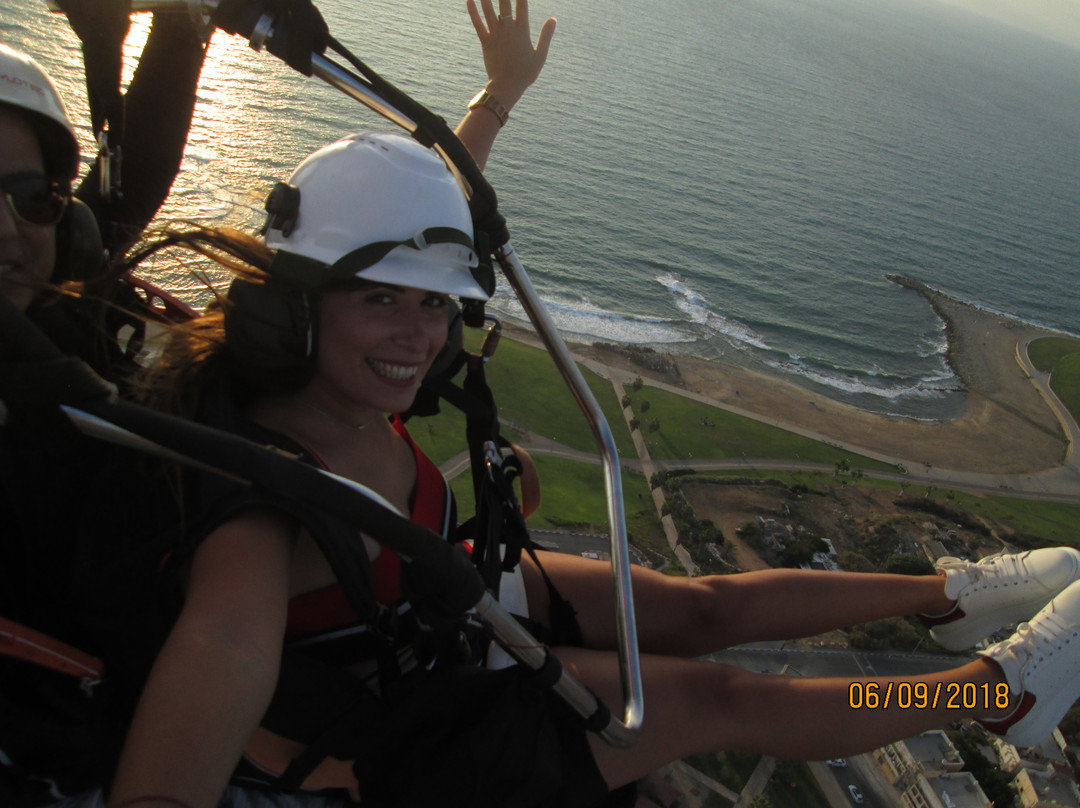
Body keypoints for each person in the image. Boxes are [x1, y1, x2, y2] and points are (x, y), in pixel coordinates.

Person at [103, 122, 1080, 808]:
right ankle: (996, 693)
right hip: (410, 702)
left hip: (442, 599)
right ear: (301, 302)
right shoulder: (265, 506)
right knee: (719, 697)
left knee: (702, 607)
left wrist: (491, 105)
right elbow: (201, 697)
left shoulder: (335, 385)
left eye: (438, 305)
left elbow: (417, 212)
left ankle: (947, 593)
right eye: (386, 303)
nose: (419, 335)